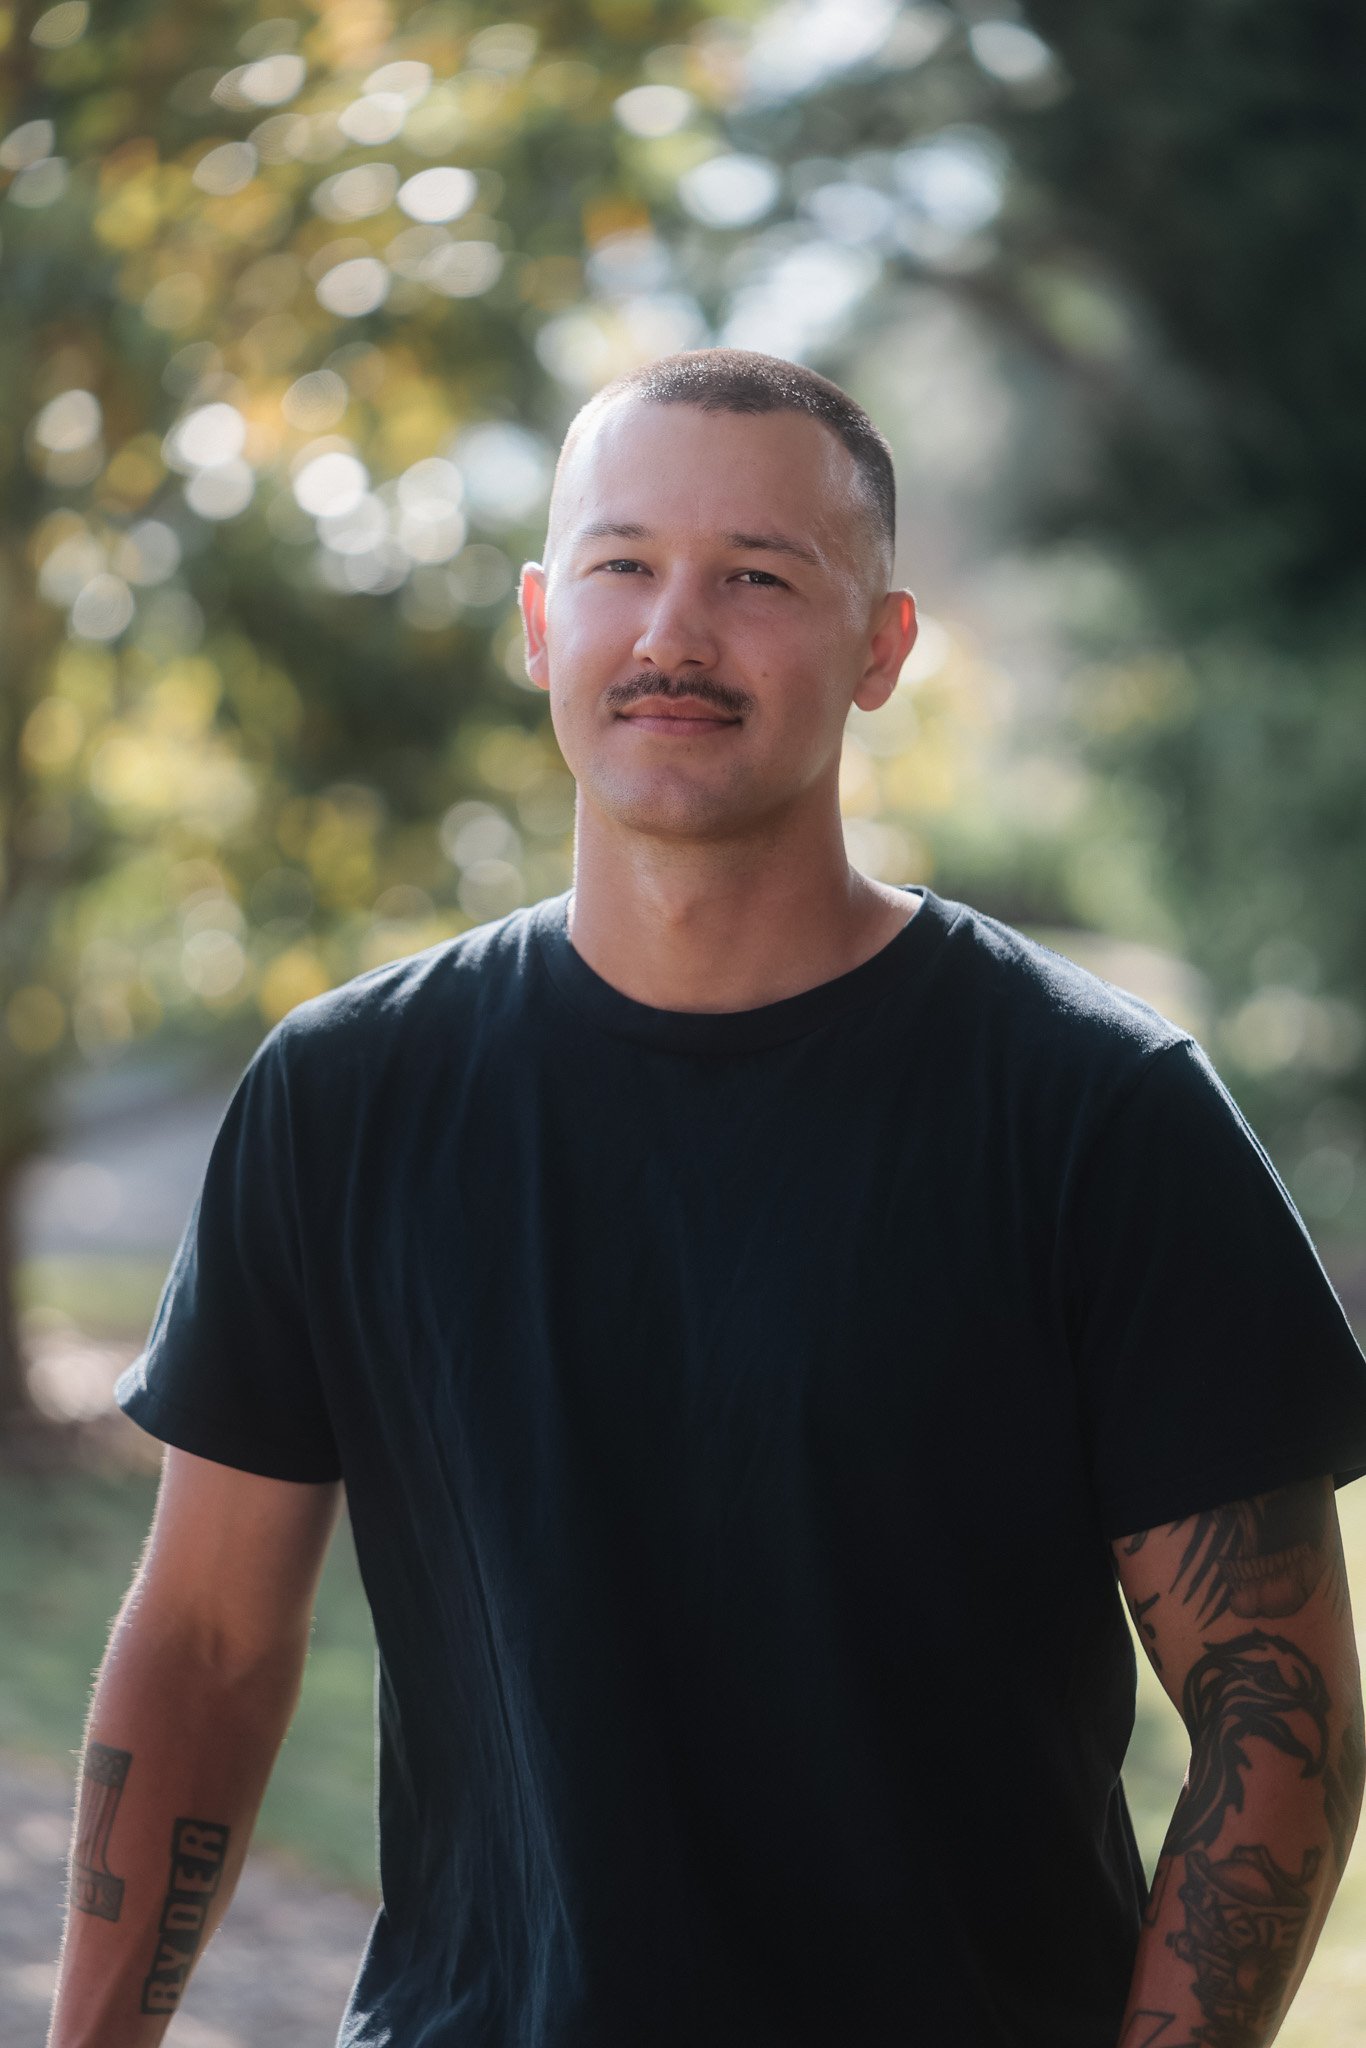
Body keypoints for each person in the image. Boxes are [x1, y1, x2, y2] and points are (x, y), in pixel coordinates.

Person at [47, 349, 1366, 2048]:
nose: (674, 632)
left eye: (757, 577)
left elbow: (1279, 1717)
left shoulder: (1092, 1111)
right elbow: (212, 1642)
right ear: (542, 622)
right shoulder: (345, 1097)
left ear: (878, 649)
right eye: (622, 566)